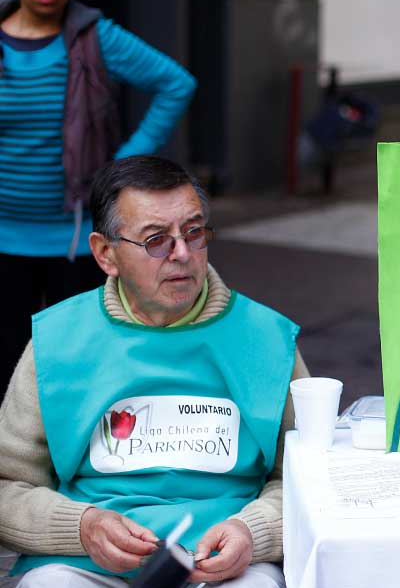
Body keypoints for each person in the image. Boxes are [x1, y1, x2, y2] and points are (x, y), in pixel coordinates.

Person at [0, 156, 308, 587]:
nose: (182, 253)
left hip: (223, 562)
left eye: (194, 232)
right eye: (156, 240)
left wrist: (252, 531)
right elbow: (8, 484)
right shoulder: (59, 339)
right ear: (106, 254)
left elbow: (306, 477)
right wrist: (82, 526)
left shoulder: (268, 339)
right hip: (88, 563)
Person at [0, 0, 196, 391]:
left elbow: (176, 83)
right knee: (7, 366)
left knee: (78, 361)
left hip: (74, 238)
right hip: (3, 236)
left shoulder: (95, 38)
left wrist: (122, 164)